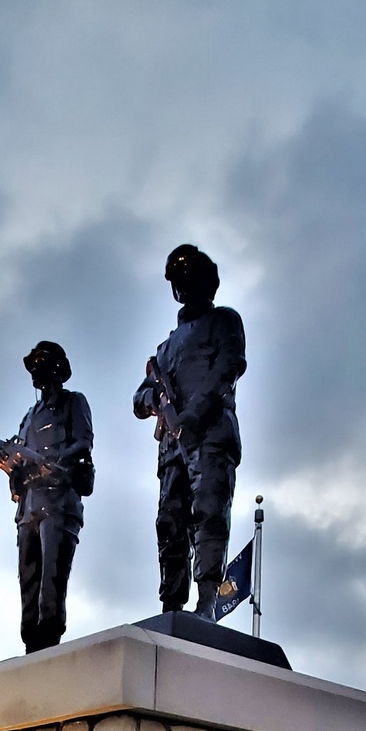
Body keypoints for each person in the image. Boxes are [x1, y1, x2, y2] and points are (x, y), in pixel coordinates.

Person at [133, 245, 246, 620]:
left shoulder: (225, 321)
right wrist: (153, 398)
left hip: (210, 435)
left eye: (189, 276)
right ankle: (171, 604)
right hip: (171, 449)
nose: (182, 285)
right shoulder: (164, 348)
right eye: (177, 279)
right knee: (169, 523)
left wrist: (191, 417)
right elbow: (139, 397)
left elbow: (227, 369)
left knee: (209, 515)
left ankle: (207, 602)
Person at [0, 341, 94, 653]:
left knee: (51, 581)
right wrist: (10, 463)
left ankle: (49, 643)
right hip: (29, 507)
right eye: (34, 364)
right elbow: (20, 461)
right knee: (28, 581)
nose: (37, 370)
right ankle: (30, 645)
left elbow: (83, 443)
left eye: (43, 363)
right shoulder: (28, 416)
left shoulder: (72, 402)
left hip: (58, 502)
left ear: (57, 369)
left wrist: (51, 461)